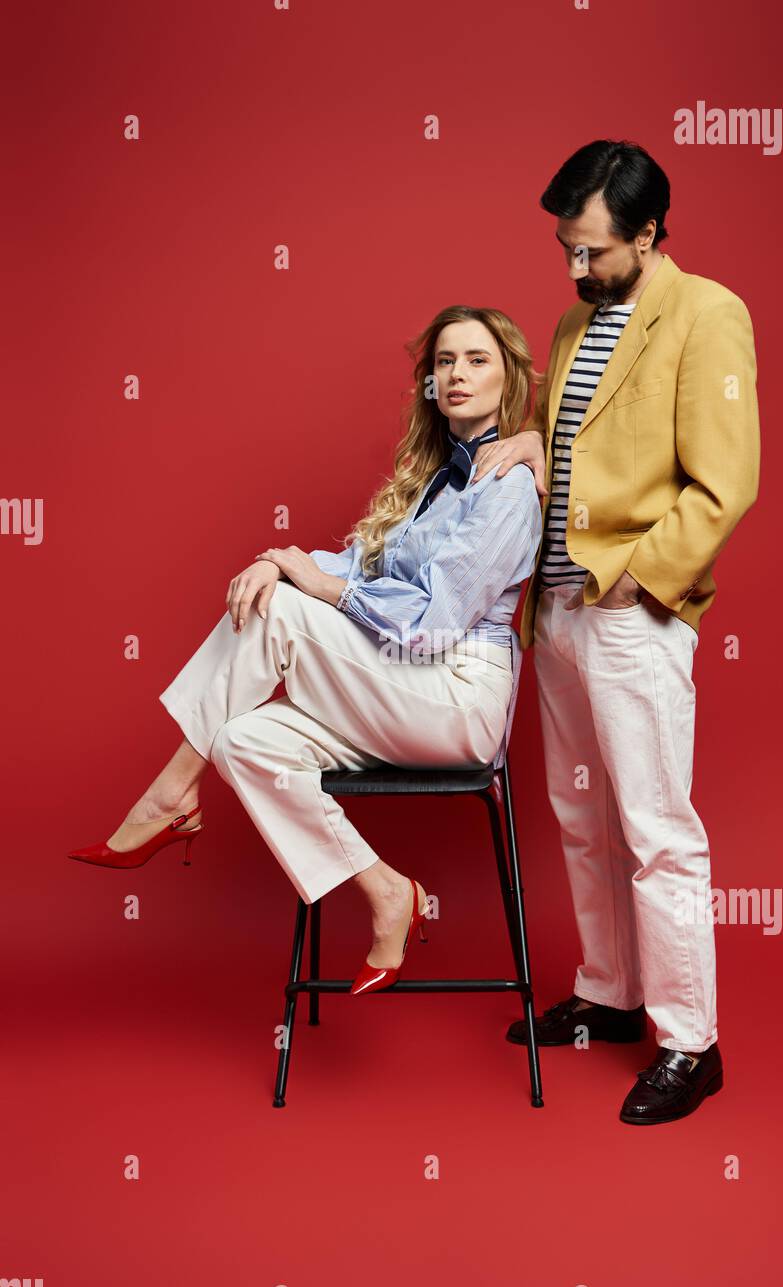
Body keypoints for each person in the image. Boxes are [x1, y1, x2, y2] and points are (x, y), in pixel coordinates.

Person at [68, 306, 543, 995]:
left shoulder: (505, 488)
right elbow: (358, 565)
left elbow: (437, 621)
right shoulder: (434, 481)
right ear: (430, 385)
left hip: (458, 699)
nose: (458, 374)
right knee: (239, 740)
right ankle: (387, 893)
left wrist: (311, 586)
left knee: (284, 609)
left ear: (509, 379)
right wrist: (280, 560)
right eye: (445, 362)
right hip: (402, 690)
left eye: (477, 360)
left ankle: (169, 793)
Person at [473, 140, 760, 1123]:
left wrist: (640, 581)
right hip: (553, 612)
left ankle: (689, 1040)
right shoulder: (570, 321)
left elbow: (724, 480)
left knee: (655, 831)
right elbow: (579, 438)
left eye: (591, 251)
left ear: (645, 234)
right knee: (579, 819)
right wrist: (528, 437)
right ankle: (606, 991)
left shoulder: (706, 315)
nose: (573, 269)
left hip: (630, 615)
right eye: (564, 247)